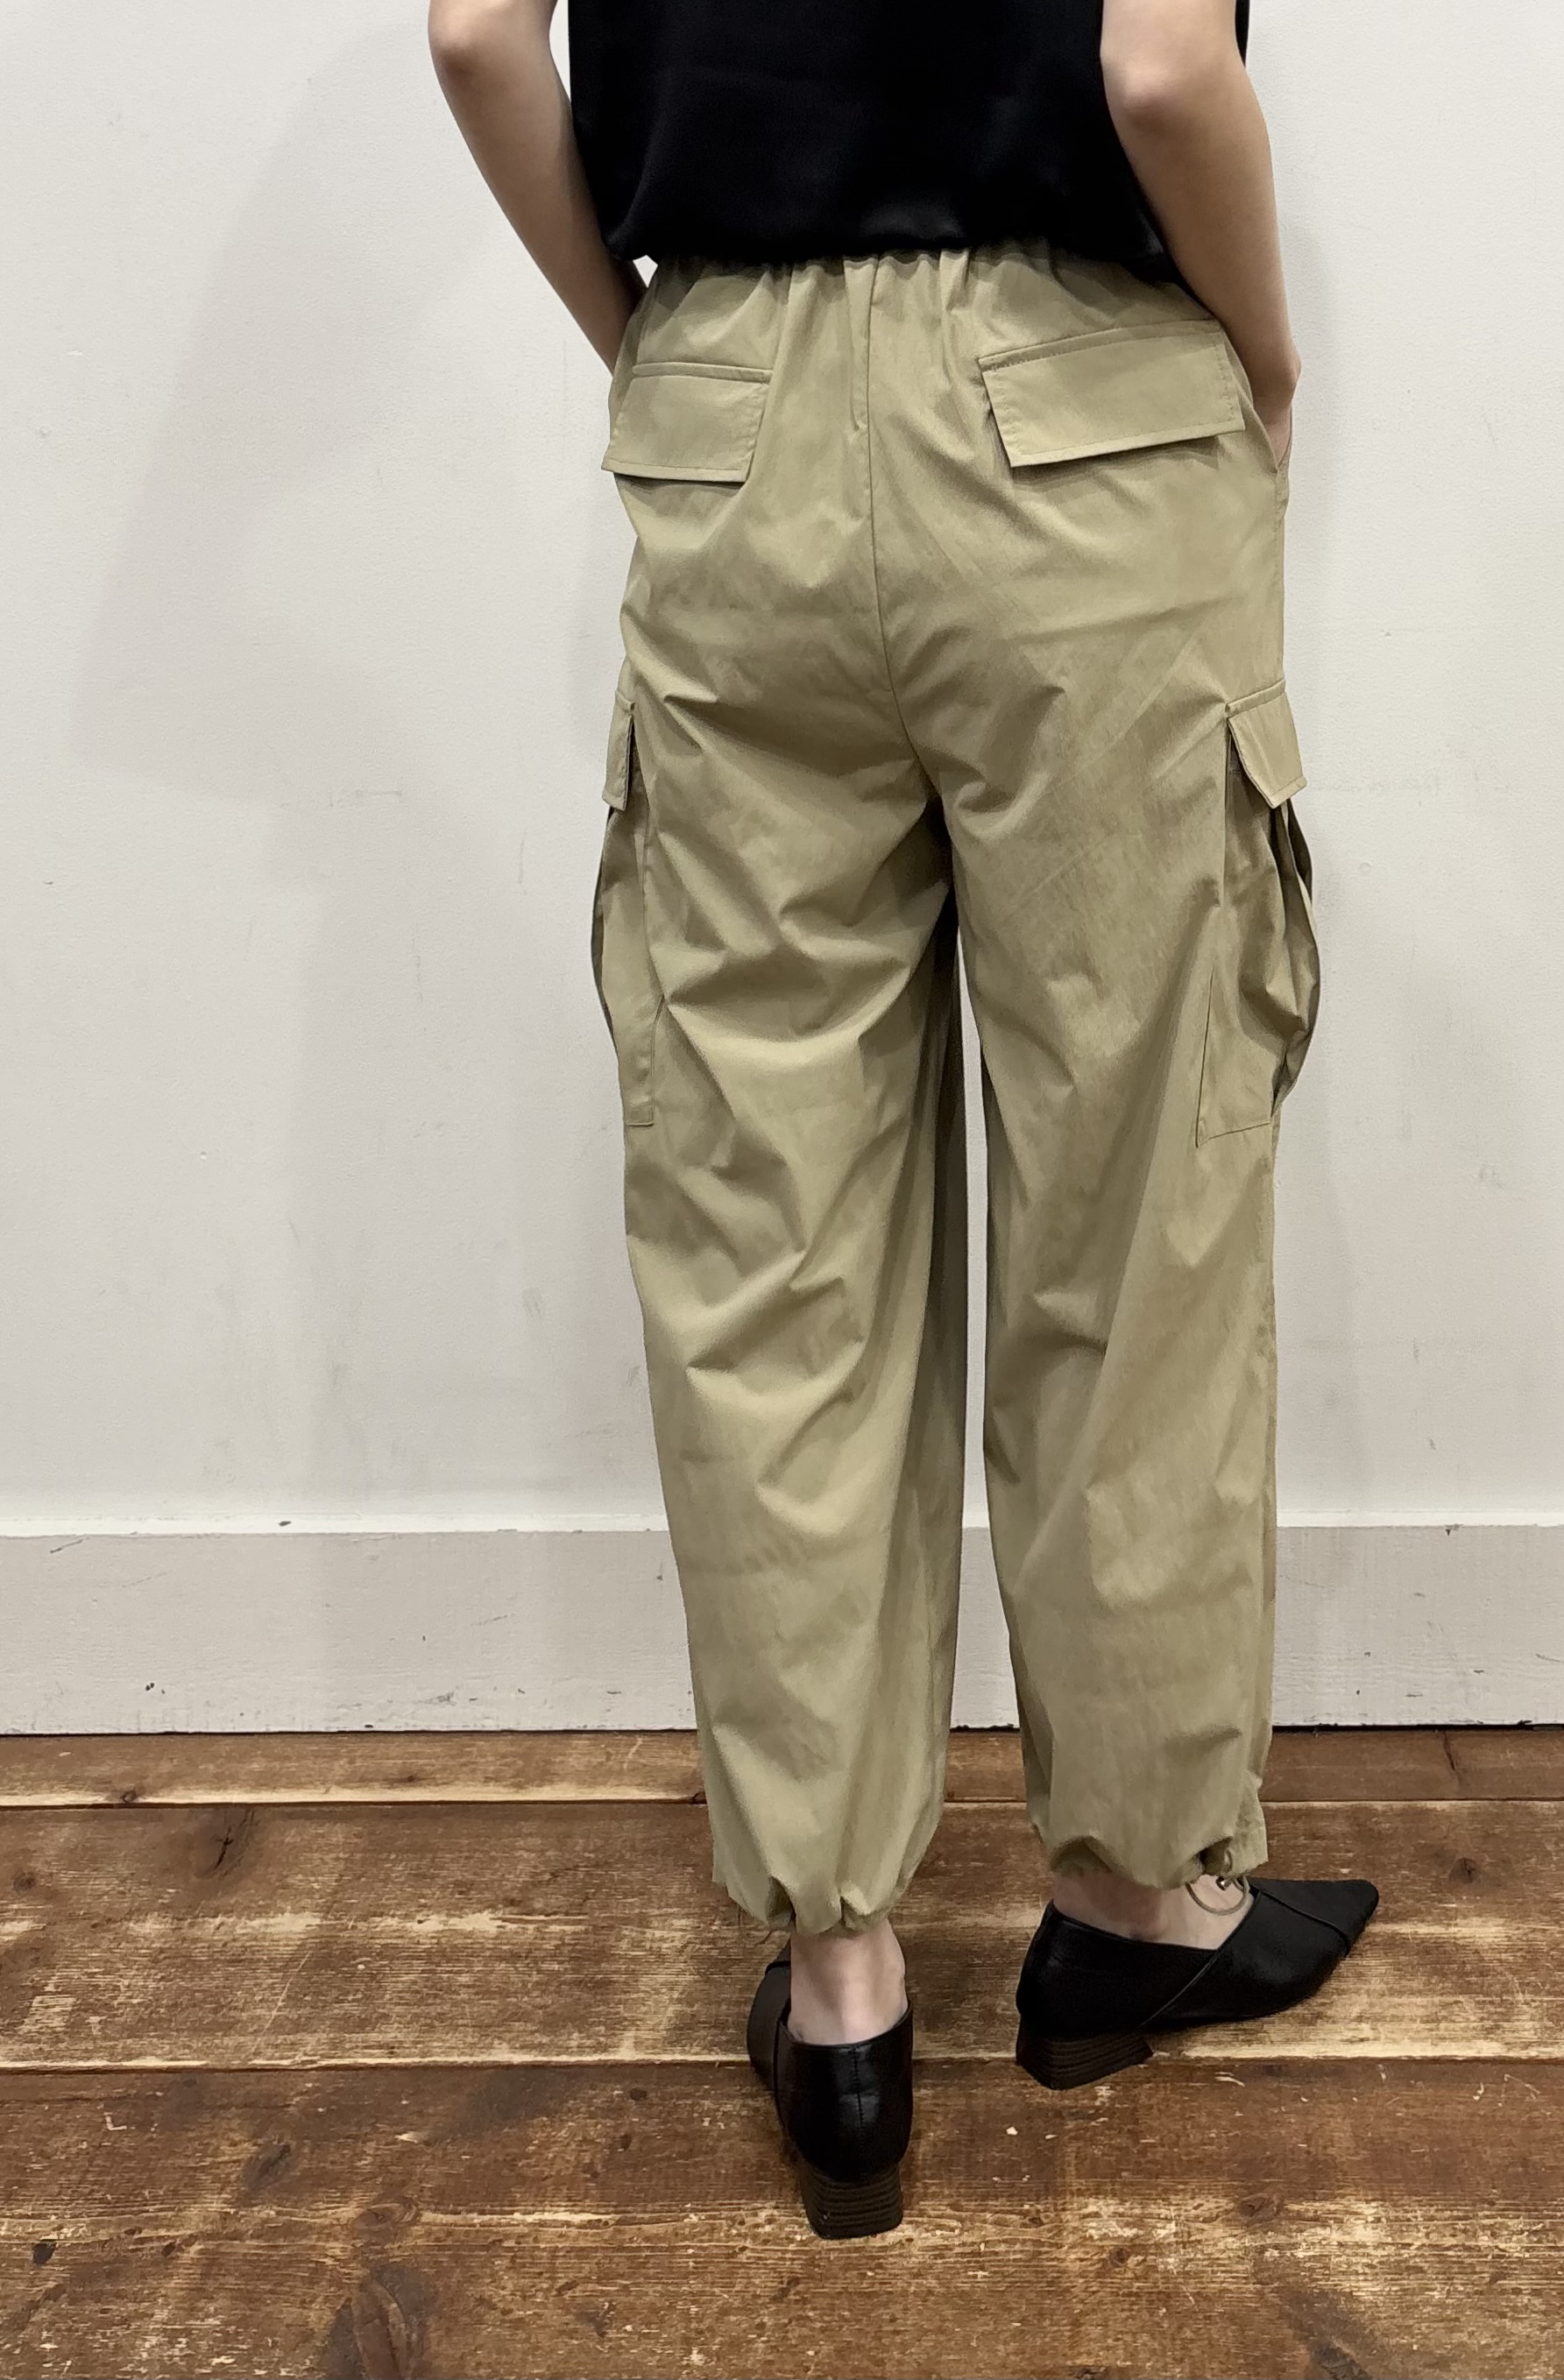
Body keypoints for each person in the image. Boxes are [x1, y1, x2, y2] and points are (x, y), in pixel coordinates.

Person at [428, 0, 1376, 2239]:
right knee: (1129, 1202)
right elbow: (1160, 72)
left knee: (764, 1230)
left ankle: (841, 1986)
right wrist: (1263, 355)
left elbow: (472, 35)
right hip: (1083, 435)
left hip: (729, 432)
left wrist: (668, 354)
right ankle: (1132, 1909)